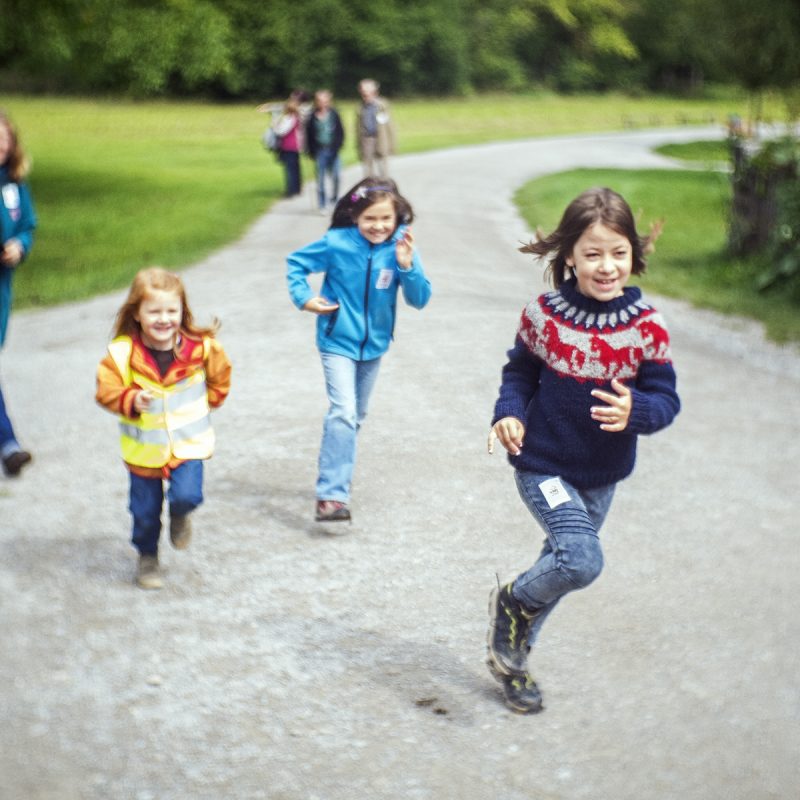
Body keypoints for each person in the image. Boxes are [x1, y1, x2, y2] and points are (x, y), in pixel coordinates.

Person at [485, 187, 680, 714]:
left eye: (617, 253)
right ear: (569, 254)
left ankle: (513, 659)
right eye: (592, 253)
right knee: (581, 560)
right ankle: (512, 601)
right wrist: (508, 412)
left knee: (560, 564)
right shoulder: (544, 315)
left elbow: (666, 398)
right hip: (542, 462)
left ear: (633, 255)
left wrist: (636, 411)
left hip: (602, 474)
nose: (606, 266)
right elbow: (520, 373)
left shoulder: (646, 326)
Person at [286, 177, 431, 523]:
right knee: (343, 412)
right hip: (337, 341)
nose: (378, 226)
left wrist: (407, 266)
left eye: (385, 219)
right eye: (370, 219)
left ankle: (335, 474)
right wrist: (305, 299)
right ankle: (332, 496)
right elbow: (296, 263)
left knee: (354, 417)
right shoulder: (337, 243)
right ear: (354, 216)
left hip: (375, 346)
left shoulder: (401, 246)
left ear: (397, 218)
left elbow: (420, 299)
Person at [96, 267, 232, 589]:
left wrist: (210, 400)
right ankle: (147, 558)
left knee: (188, 495)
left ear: (183, 311)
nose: (163, 319)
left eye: (172, 310)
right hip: (144, 452)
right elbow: (106, 390)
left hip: (188, 445)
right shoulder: (123, 353)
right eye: (154, 311)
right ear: (137, 314)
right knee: (144, 512)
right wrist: (129, 398)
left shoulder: (202, 347)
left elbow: (221, 375)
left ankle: (180, 514)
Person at [0, 110, 37, 477]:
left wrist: (19, 246)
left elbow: (27, 224)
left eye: (4, 139)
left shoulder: (14, 183)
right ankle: (8, 443)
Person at [305, 89, 345, 214]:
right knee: (320, 179)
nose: (323, 103)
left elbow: (340, 133)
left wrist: (337, 147)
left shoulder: (334, 114)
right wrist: (311, 151)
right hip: (319, 151)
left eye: (325, 101)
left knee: (336, 177)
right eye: (320, 101)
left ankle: (334, 200)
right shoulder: (312, 116)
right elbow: (308, 135)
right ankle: (322, 204)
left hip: (333, 150)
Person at [355, 79, 395, 178]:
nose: (365, 96)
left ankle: (384, 191)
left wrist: (392, 145)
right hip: (366, 140)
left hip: (380, 139)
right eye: (363, 94)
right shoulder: (360, 107)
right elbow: (358, 128)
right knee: (368, 173)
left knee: (383, 171)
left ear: (375, 93)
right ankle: (371, 192)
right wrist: (359, 146)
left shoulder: (382, 105)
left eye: (367, 93)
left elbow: (390, 126)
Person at [273, 91, 309, 197]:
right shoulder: (297, 117)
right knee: (295, 168)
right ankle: (297, 188)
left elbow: (280, 131)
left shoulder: (289, 118)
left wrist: (274, 123)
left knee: (290, 169)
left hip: (288, 146)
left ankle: (291, 190)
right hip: (295, 146)